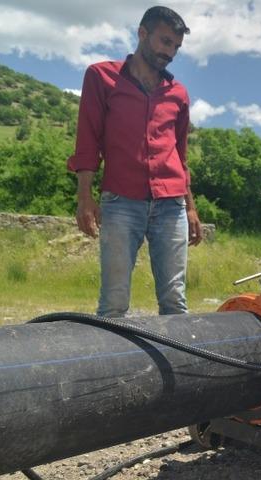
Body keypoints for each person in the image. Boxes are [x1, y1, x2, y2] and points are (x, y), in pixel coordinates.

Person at [68, 6, 202, 318]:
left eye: (176, 47)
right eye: (164, 41)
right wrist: (85, 197)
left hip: (171, 205)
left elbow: (180, 155)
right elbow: (87, 142)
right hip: (121, 201)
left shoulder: (178, 94)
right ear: (143, 33)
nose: (169, 52)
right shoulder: (101, 77)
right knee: (113, 303)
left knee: (175, 303)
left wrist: (190, 206)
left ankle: (177, 367)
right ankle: (113, 367)